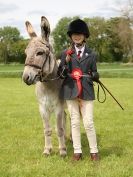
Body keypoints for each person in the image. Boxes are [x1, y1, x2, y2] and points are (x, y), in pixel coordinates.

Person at [58, 19, 99, 161]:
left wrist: (95, 75)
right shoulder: (65, 53)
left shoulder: (92, 54)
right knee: (74, 121)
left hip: (86, 90)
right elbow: (61, 74)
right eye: (74, 34)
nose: (77, 36)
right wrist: (66, 63)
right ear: (71, 36)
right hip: (70, 90)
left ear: (85, 35)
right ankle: (77, 152)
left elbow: (94, 71)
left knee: (88, 122)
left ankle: (94, 151)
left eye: (79, 34)